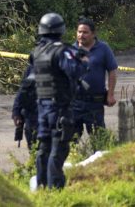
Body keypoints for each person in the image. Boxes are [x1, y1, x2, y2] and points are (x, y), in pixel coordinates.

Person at [31, 12, 88, 189]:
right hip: (60, 109)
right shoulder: (62, 51)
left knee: (43, 150)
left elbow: (30, 79)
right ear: (61, 30)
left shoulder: (37, 52)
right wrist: (83, 60)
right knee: (58, 150)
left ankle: (41, 188)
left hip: (42, 108)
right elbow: (75, 71)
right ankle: (55, 190)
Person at [71, 18, 117, 138]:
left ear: (93, 34)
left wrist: (110, 94)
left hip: (94, 103)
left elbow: (112, 71)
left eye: (85, 32)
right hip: (74, 103)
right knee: (70, 141)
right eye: (79, 32)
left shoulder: (103, 49)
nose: (81, 35)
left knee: (99, 139)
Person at [11, 64, 37, 148]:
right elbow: (22, 91)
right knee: (34, 150)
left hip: (54, 118)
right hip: (32, 116)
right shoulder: (32, 67)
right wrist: (16, 112)